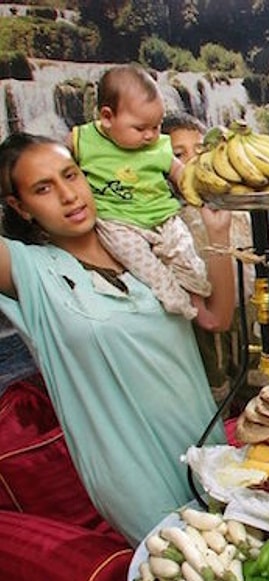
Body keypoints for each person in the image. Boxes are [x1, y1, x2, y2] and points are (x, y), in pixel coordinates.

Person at [0, 133, 234, 546]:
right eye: (43, 189)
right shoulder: (31, 272)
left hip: (205, 445)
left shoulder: (139, 243)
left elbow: (217, 316)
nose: (68, 195)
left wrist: (218, 236)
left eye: (70, 175)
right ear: (20, 207)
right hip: (132, 471)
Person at [69, 64, 211, 320]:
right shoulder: (82, 139)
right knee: (147, 268)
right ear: (107, 117)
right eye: (141, 128)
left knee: (188, 256)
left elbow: (179, 173)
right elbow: (58, 163)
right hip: (118, 221)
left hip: (163, 215)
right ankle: (174, 300)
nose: (151, 135)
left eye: (156, 127)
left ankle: (197, 295)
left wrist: (200, 192)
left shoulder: (158, 146)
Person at [162, 111, 250, 406]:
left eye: (199, 150)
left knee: (251, 380)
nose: (191, 160)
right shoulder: (171, 221)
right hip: (206, 321)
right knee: (217, 386)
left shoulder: (234, 205)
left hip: (247, 310)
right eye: (178, 154)